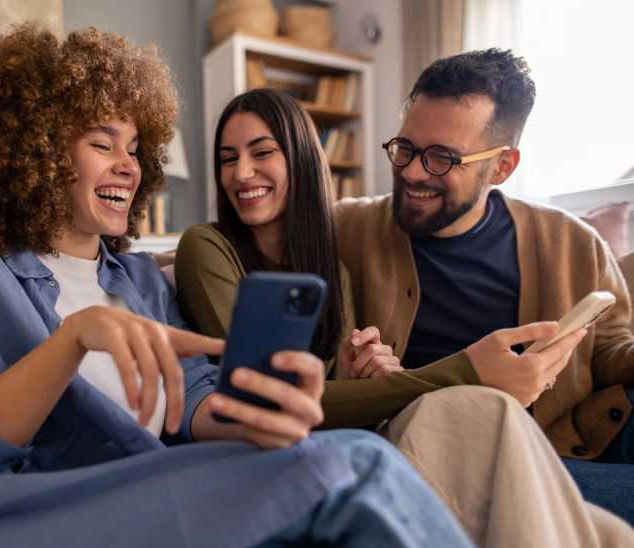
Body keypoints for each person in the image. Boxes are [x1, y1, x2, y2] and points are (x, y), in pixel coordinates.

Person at [0, 26, 477, 548]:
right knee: (357, 469)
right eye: (102, 143)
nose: (130, 164)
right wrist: (69, 343)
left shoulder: (140, 281)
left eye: (136, 148)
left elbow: (197, 404)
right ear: (32, 153)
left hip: (141, 499)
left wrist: (266, 415)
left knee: (348, 459)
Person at [174, 87, 634, 545]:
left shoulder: (333, 266)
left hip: (394, 436)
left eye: (262, 153)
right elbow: (274, 403)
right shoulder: (209, 247)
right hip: (295, 457)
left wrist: (366, 379)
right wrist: (467, 370)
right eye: (227, 158)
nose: (241, 173)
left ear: (502, 166)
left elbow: (339, 399)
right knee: (481, 404)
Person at [333, 48, 634, 522]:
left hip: (555, 447)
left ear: (502, 167)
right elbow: (213, 250)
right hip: (433, 451)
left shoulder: (573, 243)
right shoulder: (345, 227)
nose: (412, 172)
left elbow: (612, 348)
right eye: (405, 148)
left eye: (441, 158)